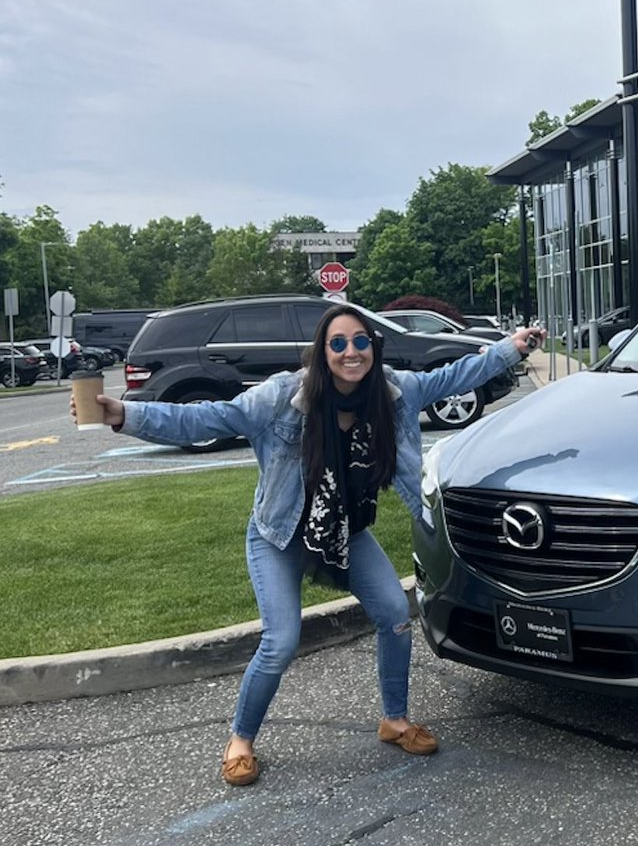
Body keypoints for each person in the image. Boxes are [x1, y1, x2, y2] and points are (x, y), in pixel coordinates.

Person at [71, 305, 542, 786]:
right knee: (281, 642)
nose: (350, 352)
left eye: (360, 341)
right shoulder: (282, 395)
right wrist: (125, 414)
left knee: (395, 615)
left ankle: (394, 720)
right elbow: (211, 418)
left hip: (346, 533)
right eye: (337, 343)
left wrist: (511, 347)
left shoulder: (394, 393)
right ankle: (240, 740)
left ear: (373, 348)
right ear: (322, 351)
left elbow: (455, 374)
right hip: (279, 535)